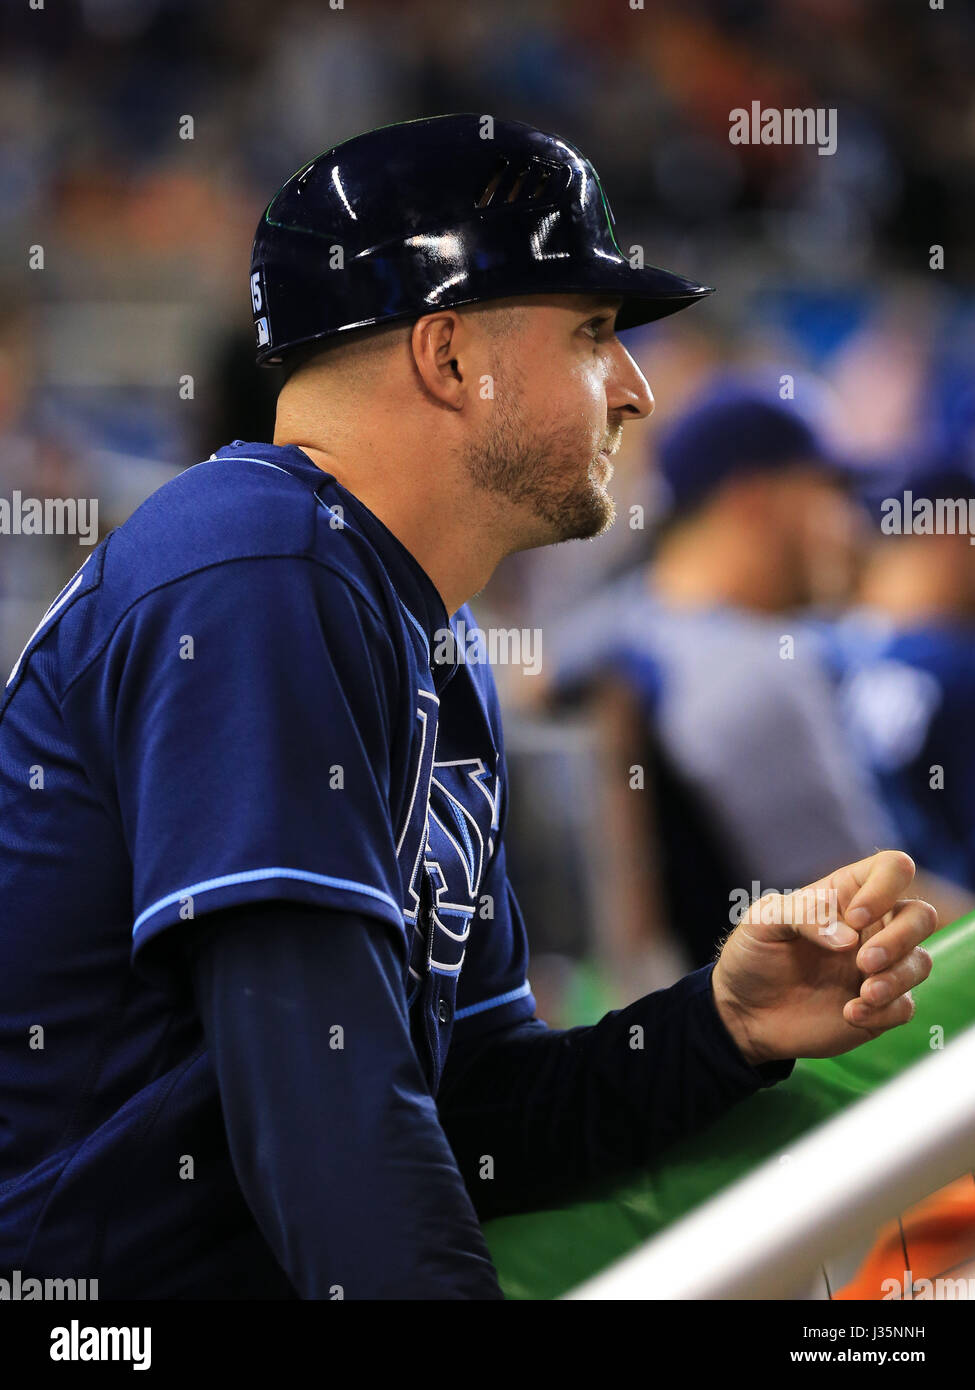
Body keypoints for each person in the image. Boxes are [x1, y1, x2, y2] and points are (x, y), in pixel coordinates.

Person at [0, 116, 935, 1300]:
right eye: (595, 333)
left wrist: (720, 1023)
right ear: (448, 358)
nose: (637, 390)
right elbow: (325, 1121)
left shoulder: (420, 626)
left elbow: (478, 1112)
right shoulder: (254, 568)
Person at [821, 456, 975, 894]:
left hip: (816, 918)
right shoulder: (955, 660)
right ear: (949, 539)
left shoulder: (812, 647)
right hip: (938, 928)